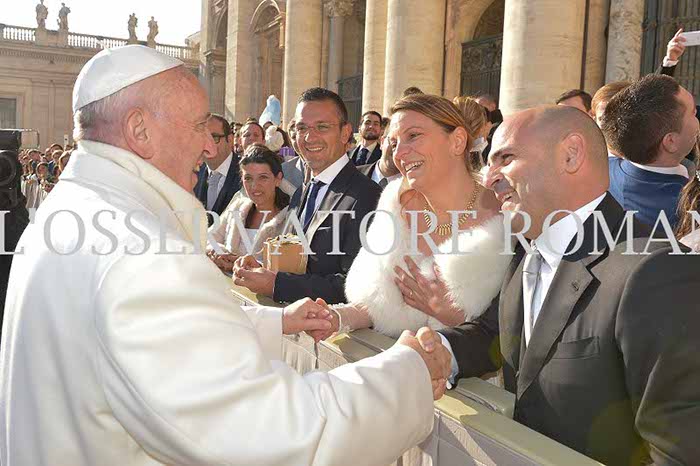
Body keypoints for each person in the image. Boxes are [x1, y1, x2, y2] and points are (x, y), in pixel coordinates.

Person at [0, 45, 451, 466]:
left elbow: (159, 334)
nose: (211, 147)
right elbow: (274, 432)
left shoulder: (69, 209)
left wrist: (278, 320)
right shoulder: (142, 256)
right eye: (199, 126)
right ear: (140, 130)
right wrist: (408, 373)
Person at [440, 105, 700, 465]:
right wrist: (441, 352)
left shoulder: (658, 271)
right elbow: (502, 338)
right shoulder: (526, 251)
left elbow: (680, 452)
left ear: (571, 155)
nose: (489, 178)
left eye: (506, 158)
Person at [309, 94, 510, 340]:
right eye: (394, 143)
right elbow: (374, 302)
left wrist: (453, 316)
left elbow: (518, 336)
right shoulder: (395, 203)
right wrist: (334, 318)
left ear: (457, 141)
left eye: (413, 136)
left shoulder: (508, 215)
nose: (400, 153)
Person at [232, 88, 382, 304]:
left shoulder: (368, 196)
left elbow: (355, 286)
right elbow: (298, 262)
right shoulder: (304, 191)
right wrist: (264, 270)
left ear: (345, 132)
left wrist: (276, 284)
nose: (309, 137)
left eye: (322, 127)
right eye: (302, 128)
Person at [601, 74, 699, 228]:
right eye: (693, 113)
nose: (697, 117)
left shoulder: (601, 171)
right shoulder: (688, 210)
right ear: (671, 141)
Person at [208, 144, 289, 272]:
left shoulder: (290, 219)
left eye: (263, 177)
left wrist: (244, 265)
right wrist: (217, 253)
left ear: (278, 179)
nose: (254, 186)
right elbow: (208, 240)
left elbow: (290, 269)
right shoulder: (236, 208)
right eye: (248, 178)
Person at [193, 114, 242, 225]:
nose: (207, 145)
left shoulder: (246, 173)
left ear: (230, 140)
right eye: (203, 138)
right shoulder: (193, 173)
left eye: (214, 138)